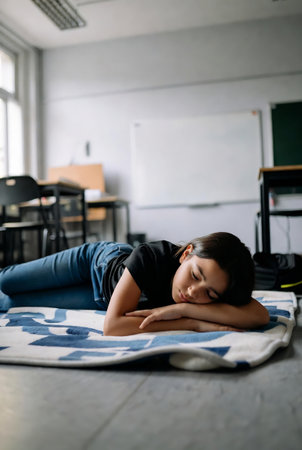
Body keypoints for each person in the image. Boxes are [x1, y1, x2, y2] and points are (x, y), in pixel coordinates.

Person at [0, 232, 269, 336]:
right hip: (95, 264)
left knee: (9, 303)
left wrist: (185, 310)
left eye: (210, 293)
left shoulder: (209, 294)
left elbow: (259, 315)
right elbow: (114, 326)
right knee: (7, 281)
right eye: (195, 275)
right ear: (186, 254)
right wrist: (192, 322)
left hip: (101, 298)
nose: (192, 292)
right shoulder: (151, 256)